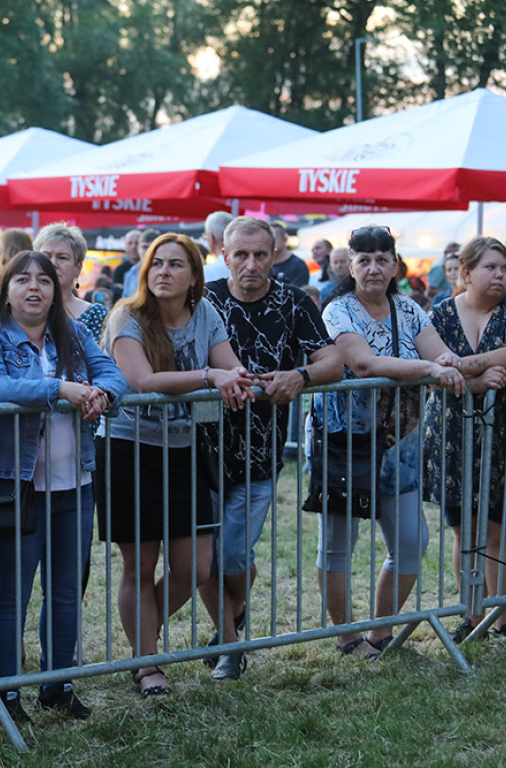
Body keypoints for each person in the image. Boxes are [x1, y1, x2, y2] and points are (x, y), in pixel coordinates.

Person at [0, 251, 125, 723]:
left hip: (75, 486)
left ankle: (58, 685)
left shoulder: (72, 334)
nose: (34, 287)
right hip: (16, 487)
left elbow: (113, 373)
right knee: (11, 593)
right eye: (22, 279)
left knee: (64, 592)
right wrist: (62, 389)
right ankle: (7, 696)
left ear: (58, 290)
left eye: (44, 280)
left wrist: (102, 393)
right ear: (6, 289)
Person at [96, 233, 253, 697]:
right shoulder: (127, 316)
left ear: (194, 277)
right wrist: (209, 375)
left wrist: (238, 376)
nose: (163, 271)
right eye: (156, 263)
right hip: (129, 450)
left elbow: (230, 364)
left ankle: (142, 642)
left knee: (196, 567)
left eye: (175, 265)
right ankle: (148, 665)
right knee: (140, 566)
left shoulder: (205, 313)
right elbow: (141, 380)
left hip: (184, 450)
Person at [199, 217, 343, 680]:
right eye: (241, 254)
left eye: (261, 254)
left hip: (261, 454)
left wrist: (298, 376)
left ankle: (232, 619)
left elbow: (333, 361)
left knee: (235, 556)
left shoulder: (293, 301)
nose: (251, 264)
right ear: (224, 255)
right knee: (206, 556)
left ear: (275, 253)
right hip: (199, 451)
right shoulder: (204, 299)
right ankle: (230, 641)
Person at [313, 225, 466, 659]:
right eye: (364, 260)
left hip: (401, 447)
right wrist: (432, 370)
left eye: (382, 259)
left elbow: (437, 352)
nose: (374, 268)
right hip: (345, 443)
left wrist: (460, 365)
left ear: (396, 264)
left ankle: (380, 632)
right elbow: (362, 362)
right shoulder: (337, 310)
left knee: (412, 542)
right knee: (339, 543)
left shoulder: (409, 308)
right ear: (350, 264)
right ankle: (346, 637)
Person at [422, 236, 506, 643]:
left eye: (505, 268)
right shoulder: (439, 313)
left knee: (501, 527)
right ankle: (473, 615)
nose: (501, 275)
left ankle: (504, 620)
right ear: (466, 271)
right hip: (452, 432)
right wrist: (476, 380)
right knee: (465, 530)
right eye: (491, 267)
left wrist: (464, 365)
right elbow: (429, 367)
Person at [34, 222, 108, 339]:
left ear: (78, 268)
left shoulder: (95, 315)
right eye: (46, 256)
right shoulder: (20, 309)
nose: (53, 263)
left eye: (62, 257)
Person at [122, 229, 161, 298]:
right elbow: (125, 300)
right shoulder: (132, 272)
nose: (148, 251)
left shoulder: (163, 272)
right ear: (138, 249)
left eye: (151, 247)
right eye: (144, 247)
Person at [268, 223, 310, 287]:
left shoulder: (298, 265)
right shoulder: (264, 264)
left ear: (285, 239)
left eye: (275, 238)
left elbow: (298, 294)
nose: (271, 242)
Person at [202, 212, 234, 283]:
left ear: (211, 238)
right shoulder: (245, 267)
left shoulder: (205, 272)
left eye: (206, 235)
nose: (205, 239)